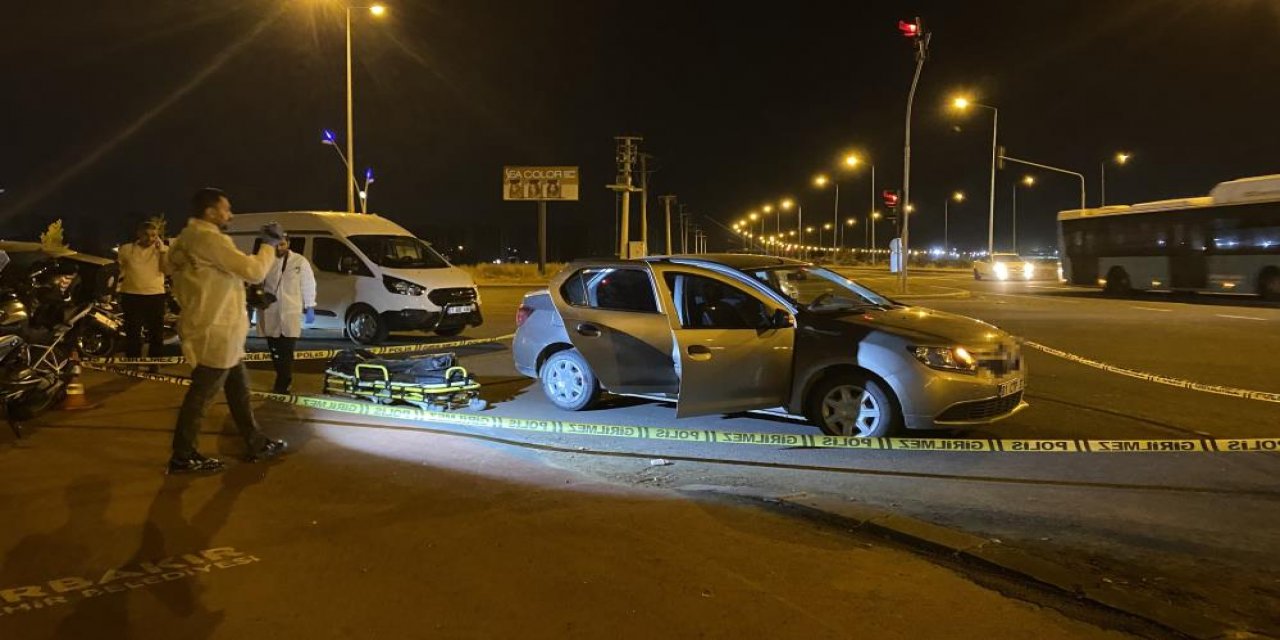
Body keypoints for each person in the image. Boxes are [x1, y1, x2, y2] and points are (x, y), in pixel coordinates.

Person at [165, 187, 287, 474]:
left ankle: (256, 443)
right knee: (201, 395)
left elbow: (169, 266)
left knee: (238, 390)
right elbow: (254, 271)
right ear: (210, 212)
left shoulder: (185, 239)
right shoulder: (208, 239)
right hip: (216, 329)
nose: (229, 214)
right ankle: (183, 457)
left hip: (210, 325)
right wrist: (268, 244)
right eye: (225, 209)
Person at [256, 235, 316, 394]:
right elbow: (256, 280)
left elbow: (308, 284)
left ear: (288, 243)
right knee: (275, 350)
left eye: (282, 244)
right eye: (276, 245)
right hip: (271, 312)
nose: (279, 248)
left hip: (291, 312)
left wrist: (310, 306)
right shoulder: (265, 261)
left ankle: (284, 382)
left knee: (287, 350)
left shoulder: (300, 261)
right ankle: (281, 378)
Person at [116, 220, 170, 359]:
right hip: (131, 295)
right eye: (146, 235)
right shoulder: (126, 249)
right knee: (132, 332)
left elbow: (166, 270)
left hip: (155, 295)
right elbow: (119, 270)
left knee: (156, 332)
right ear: (139, 234)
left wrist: (162, 251)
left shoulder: (161, 250)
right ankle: (132, 361)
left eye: (153, 235)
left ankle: (155, 362)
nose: (150, 239)